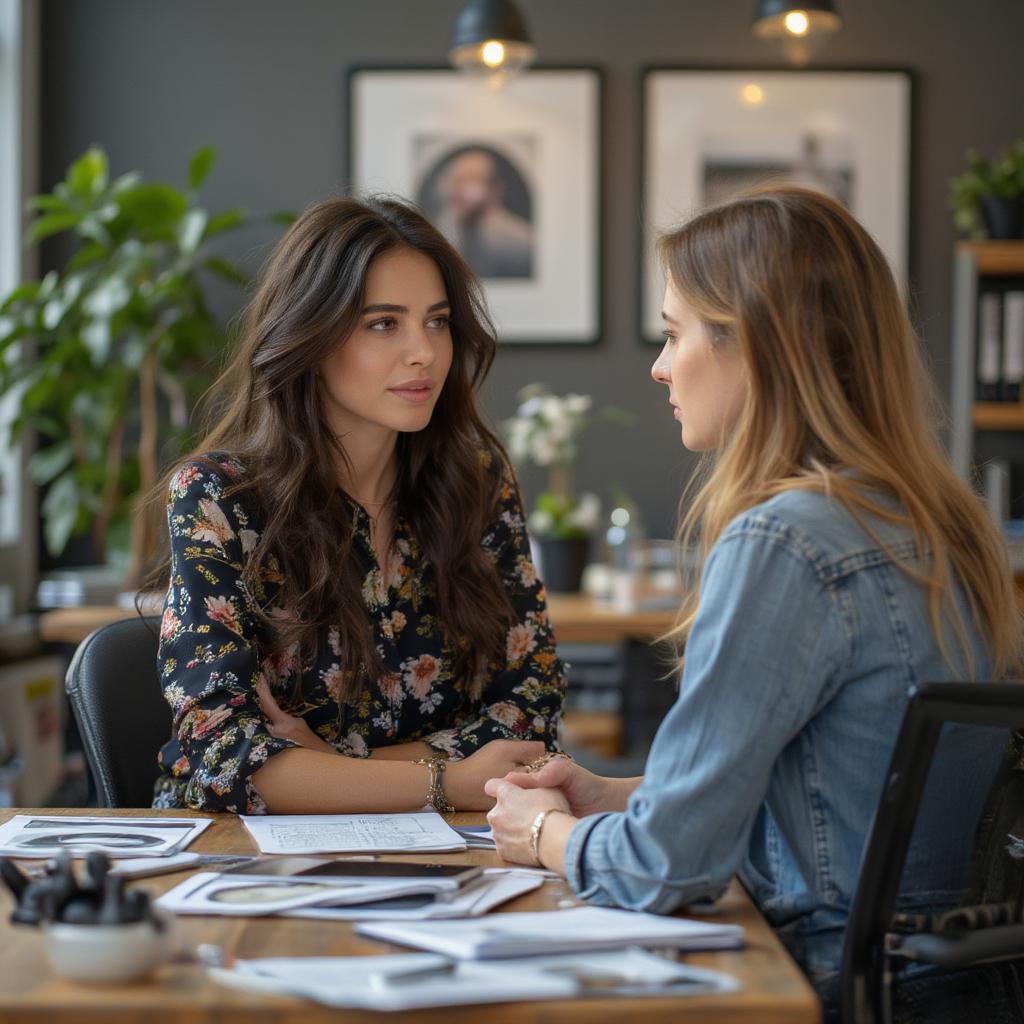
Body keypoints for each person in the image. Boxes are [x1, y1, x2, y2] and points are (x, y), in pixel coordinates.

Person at [484, 186, 1022, 1014]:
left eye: (674, 333)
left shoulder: (787, 541)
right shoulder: (950, 525)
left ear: (756, 347)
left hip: (822, 985)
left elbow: (666, 869)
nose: (660, 365)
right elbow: (845, 780)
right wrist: (617, 795)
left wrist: (542, 835)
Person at [147, 195, 565, 815]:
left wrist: (329, 767)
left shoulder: (477, 484)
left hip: (442, 855)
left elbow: (530, 719)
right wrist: (446, 780)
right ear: (310, 337)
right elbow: (228, 758)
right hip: (241, 857)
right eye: (383, 324)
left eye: (438, 320)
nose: (423, 351)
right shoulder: (218, 498)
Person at [431, 148, 533, 279]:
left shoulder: (522, 244)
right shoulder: (443, 231)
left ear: (495, 189)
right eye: (456, 180)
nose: (458, 189)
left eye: (471, 179)